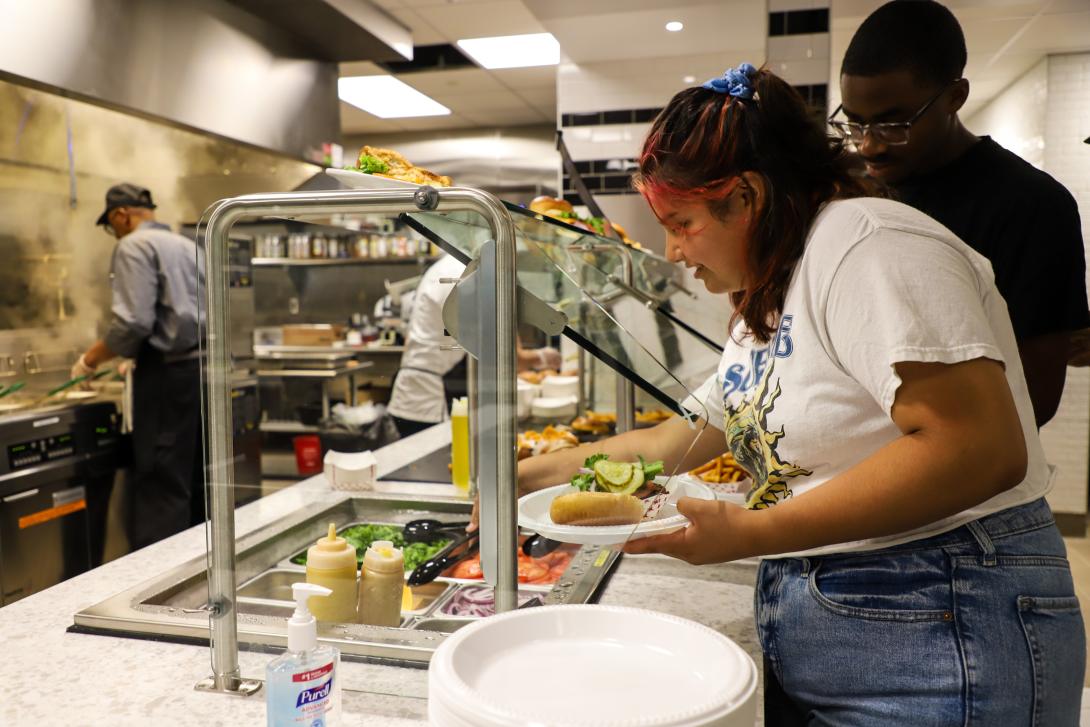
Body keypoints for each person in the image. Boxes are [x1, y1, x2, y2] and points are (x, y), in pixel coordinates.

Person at [513, 64, 1085, 724]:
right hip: (865, 624)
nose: (671, 250)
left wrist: (752, 531)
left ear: (748, 196)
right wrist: (527, 478)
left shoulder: (868, 243)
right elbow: (681, 437)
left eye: (682, 221)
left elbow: (980, 447)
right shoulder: (771, 295)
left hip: (943, 627)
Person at [833, 0, 1090, 427]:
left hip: (969, 475)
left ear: (955, 97)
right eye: (855, 123)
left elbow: (1033, 398)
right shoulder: (855, 192)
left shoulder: (1030, 204)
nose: (869, 145)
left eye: (894, 125)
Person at [74, 183, 206, 551]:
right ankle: (194, 580)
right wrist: (136, 355)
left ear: (121, 215)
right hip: (198, 372)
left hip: (166, 377)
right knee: (187, 482)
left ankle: (156, 596)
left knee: (160, 483)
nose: (113, 233)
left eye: (111, 225)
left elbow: (132, 323)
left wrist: (90, 360)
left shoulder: (133, 245)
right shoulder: (186, 244)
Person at [387, 252, 561, 437]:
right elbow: (508, 356)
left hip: (414, 394)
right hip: (428, 404)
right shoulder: (466, 275)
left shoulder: (450, 266)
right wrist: (542, 357)